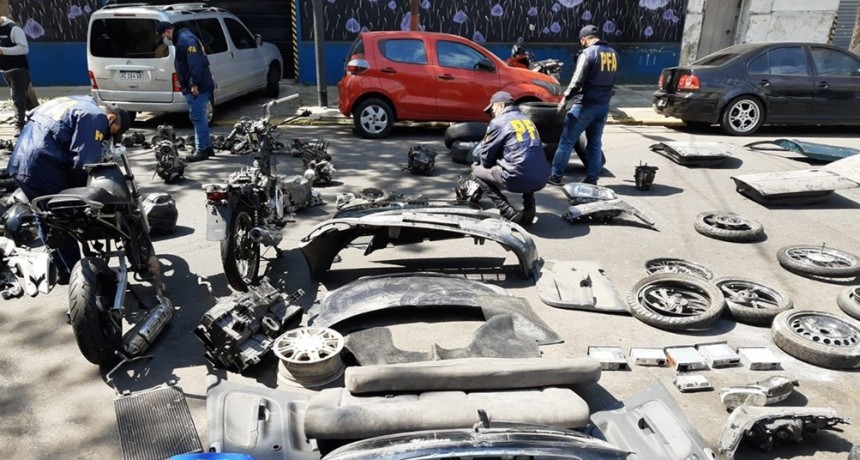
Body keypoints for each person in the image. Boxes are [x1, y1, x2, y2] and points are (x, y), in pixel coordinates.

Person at [6, 96, 131, 281]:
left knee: (45, 215)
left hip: (20, 163)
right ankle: (79, 275)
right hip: (45, 167)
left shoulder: (70, 102)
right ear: (111, 119)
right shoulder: (96, 117)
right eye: (112, 133)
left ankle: (63, 269)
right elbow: (84, 162)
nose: (108, 137)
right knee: (65, 219)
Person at [547, 24, 618, 186]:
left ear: (584, 39)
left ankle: (556, 176)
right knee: (594, 143)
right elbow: (613, 79)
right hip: (603, 105)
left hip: (585, 104)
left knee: (566, 141)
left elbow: (577, 80)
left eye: (581, 41)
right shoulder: (613, 54)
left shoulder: (588, 53)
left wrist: (565, 97)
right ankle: (592, 179)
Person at [470, 91, 549, 226]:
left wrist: (484, 162)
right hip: (542, 177)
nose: (492, 113)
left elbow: (486, 160)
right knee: (526, 163)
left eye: (492, 109)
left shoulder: (498, 122)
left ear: (501, 105)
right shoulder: (527, 119)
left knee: (476, 172)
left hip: (517, 178)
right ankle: (529, 209)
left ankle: (507, 211)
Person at [156, 20, 214, 162]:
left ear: (168, 31)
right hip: (198, 84)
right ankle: (206, 147)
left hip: (197, 86)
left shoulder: (185, 40)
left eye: (163, 36)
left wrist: (194, 84)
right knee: (200, 116)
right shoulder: (182, 38)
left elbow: (194, 63)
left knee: (197, 117)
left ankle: (202, 150)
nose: (163, 39)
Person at [0, 15, 38, 137]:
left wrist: (3, 50)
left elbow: (24, 48)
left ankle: (19, 126)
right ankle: (36, 121)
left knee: (17, 97)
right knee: (23, 98)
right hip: (5, 70)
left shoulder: (13, 29)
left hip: (18, 69)